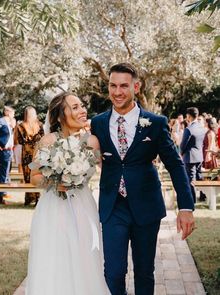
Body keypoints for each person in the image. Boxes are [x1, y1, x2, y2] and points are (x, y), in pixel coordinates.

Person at [91, 63, 195, 295]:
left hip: (146, 206)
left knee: (144, 272)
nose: (117, 92)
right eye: (113, 85)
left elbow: (176, 165)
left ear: (136, 87)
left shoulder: (156, 123)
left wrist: (186, 207)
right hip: (113, 206)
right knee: (113, 272)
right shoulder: (97, 123)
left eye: (124, 86)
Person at [26, 93, 110, 295]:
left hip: (83, 206)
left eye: (82, 106)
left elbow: (104, 169)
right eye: (74, 107)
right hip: (52, 209)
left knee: (84, 256)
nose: (82, 111)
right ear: (59, 115)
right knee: (54, 257)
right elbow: (34, 176)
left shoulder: (93, 141)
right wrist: (54, 182)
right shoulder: (47, 141)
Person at [16, 106, 44, 205]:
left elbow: (18, 140)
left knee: (28, 176)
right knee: (37, 174)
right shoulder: (40, 125)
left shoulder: (20, 126)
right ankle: (37, 198)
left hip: (26, 154)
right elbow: (43, 138)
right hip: (36, 154)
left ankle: (29, 198)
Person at [180, 107, 206, 203]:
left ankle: (192, 199)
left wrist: (181, 153)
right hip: (199, 156)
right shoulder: (202, 128)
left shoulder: (189, 129)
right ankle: (203, 196)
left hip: (190, 157)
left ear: (189, 116)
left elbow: (183, 144)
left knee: (191, 179)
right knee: (199, 176)